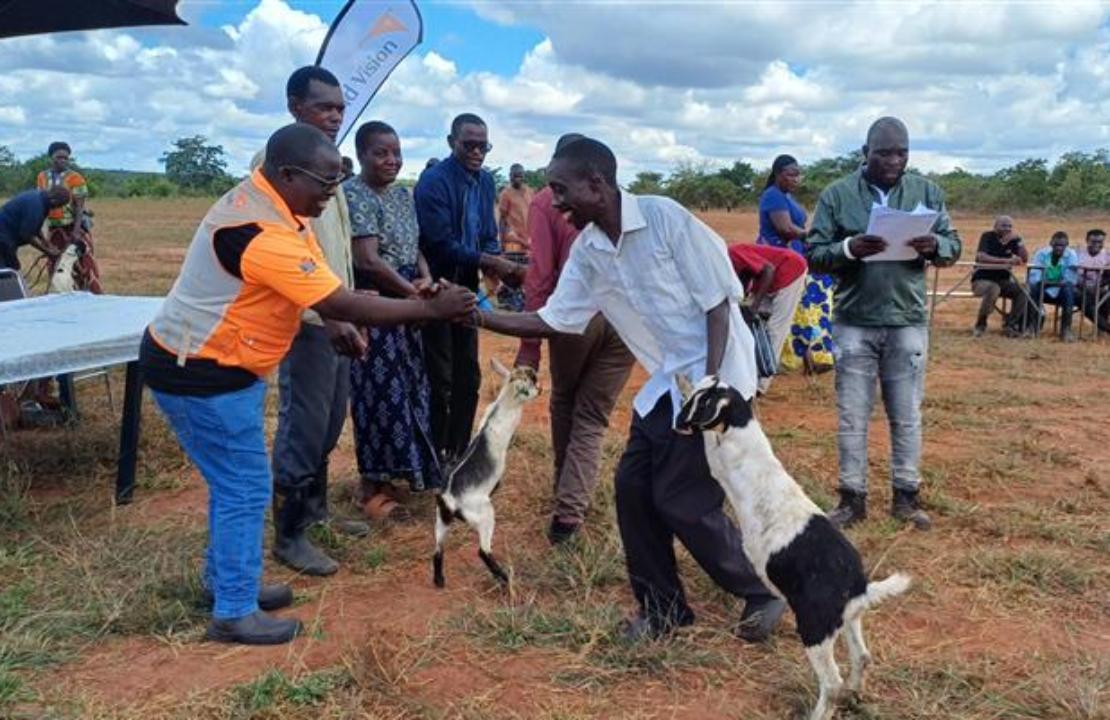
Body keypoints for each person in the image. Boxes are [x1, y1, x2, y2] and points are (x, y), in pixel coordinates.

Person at [140, 123, 475, 645]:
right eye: (325, 182)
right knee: (244, 486)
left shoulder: (281, 207)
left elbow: (322, 285)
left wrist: (371, 307)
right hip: (201, 370)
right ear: (287, 174)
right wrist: (429, 310)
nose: (333, 192)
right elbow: (337, 300)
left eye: (337, 180)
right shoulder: (259, 230)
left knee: (234, 484)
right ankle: (233, 610)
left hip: (224, 364)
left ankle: (228, 581)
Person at [476, 138, 783, 643]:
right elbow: (554, 318)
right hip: (668, 382)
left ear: (597, 183)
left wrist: (708, 388)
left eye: (561, 189)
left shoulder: (664, 219)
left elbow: (717, 304)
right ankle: (663, 609)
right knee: (633, 489)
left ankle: (762, 590)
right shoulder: (590, 250)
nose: (554, 202)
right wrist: (476, 316)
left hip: (719, 376)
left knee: (683, 499)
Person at [806, 116, 961, 532]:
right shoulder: (837, 195)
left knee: (907, 414)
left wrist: (935, 245)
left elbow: (953, 245)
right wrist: (848, 248)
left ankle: (906, 497)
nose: (894, 161)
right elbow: (814, 253)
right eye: (885, 153)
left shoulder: (926, 192)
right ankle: (851, 499)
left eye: (902, 153)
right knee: (852, 416)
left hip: (906, 319)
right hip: (854, 320)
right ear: (865, 153)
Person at [260, 66, 368, 577]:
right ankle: (289, 534)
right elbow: (289, 253)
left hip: (334, 313)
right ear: (294, 106)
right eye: (324, 106)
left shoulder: (327, 162)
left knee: (328, 421)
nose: (335, 115)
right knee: (303, 425)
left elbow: (334, 249)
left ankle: (316, 511)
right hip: (306, 319)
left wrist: (347, 308)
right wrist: (328, 313)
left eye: (340, 107)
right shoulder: (280, 166)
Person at [513, 134, 635, 545]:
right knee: (593, 415)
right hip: (625, 320)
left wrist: (529, 348)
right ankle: (570, 508)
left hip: (575, 316)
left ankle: (565, 500)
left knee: (566, 400)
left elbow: (541, 274)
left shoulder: (546, 202)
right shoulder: (620, 200)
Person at [415, 113, 526, 465]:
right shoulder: (434, 182)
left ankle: (459, 451)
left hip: (467, 287)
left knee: (468, 375)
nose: (477, 152)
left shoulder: (485, 182)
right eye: (469, 145)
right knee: (440, 375)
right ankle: (435, 455)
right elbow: (439, 242)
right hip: (436, 287)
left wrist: (495, 264)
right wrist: (492, 261)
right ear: (452, 142)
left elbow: (488, 235)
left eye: (483, 146)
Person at [344, 121, 441, 518]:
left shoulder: (403, 195)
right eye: (381, 153)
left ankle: (401, 473)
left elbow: (415, 248)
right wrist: (412, 295)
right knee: (378, 394)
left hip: (407, 300)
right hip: (376, 305)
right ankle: (371, 483)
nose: (391, 160)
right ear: (361, 155)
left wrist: (426, 279)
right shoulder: (354, 194)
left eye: (396, 153)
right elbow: (368, 260)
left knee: (411, 387)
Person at [757, 155, 833, 374]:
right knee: (808, 297)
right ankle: (804, 356)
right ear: (778, 174)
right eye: (791, 174)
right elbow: (785, 229)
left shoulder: (785, 196)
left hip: (795, 255)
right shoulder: (773, 196)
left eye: (798, 175)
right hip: (780, 258)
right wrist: (812, 236)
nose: (796, 179)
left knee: (810, 298)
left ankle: (809, 355)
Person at [726, 242, 807, 394]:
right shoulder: (723, 265)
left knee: (775, 330)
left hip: (790, 272)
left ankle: (760, 385)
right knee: (755, 329)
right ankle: (750, 374)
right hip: (768, 282)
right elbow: (745, 277)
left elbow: (769, 270)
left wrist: (754, 307)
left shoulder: (733, 253)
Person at [35, 141, 101, 293]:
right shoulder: (42, 177)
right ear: (51, 157)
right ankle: (64, 297)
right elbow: (41, 202)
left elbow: (79, 207)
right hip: (54, 229)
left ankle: (90, 296)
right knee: (56, 266)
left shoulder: (75, 178)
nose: (63, 161)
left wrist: (76, 232)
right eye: (59, 157)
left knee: (83, 265)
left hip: (73, 227)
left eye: (66, 158)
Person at [970, 215, 1028, 337]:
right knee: (993, 288)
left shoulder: (1013, 240)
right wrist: (1006, 261)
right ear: (995, 226)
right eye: (1004, 226)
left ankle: (1010, 324)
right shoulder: (987, 236)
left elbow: (1024, 259)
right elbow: (981, 257)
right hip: (982, 280)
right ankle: (981, 324)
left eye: (1010, 226)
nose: (1007, 229)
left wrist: (1020, 241)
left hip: (1003, 280)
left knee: (1023, 289)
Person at [0, 188, 69, 271]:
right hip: (3, 238)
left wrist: (46, 243)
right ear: (54, 201)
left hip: (6, 237)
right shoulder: (36, 207)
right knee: (9, 270)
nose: (57, 208)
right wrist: (48, 252)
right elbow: (26, 235)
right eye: (59, 206)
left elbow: (35, 226)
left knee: (11, 268)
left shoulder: (40, 199)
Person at [1028, 231, 1079, 341]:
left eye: (1062, 245)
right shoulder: (1041, 254)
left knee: (1068, 290)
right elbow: (1035, 278)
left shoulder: (1071, 255)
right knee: (1033, 288)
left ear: (1067, 245)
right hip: (1043, 289)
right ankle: (1032, 327)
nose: (1059, 248)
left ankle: (1066, 330)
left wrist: (1047, 282)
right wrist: (1052, 283)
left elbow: (1069, 280)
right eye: (1056, 245)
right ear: (1051, 243)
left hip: (1062, 291)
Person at [496, 163, 534, 311]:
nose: (517, 178)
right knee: (512, 269)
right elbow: (502, 219)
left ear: (524, 176)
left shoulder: (530, 192)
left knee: (527, 268)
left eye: (520, 175)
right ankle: (510, 297)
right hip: (512, 239)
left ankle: (521, 297)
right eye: (514, 176)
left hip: (528, 238)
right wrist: (501, 240)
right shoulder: (506, 194)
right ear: (510, 177)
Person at [1077, 228, 1109, 332]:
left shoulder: (1107, 256)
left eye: (1100, 242)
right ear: (1087, 241)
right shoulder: (1078, 254)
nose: (1097, 244)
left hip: (1098, 288)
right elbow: (1072, 274)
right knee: (1085, 300)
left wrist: (1102, 285)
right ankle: (1106, 328)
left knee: (1106, 296)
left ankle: (1101, 329)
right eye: (1093, 242)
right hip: (1080, 288)